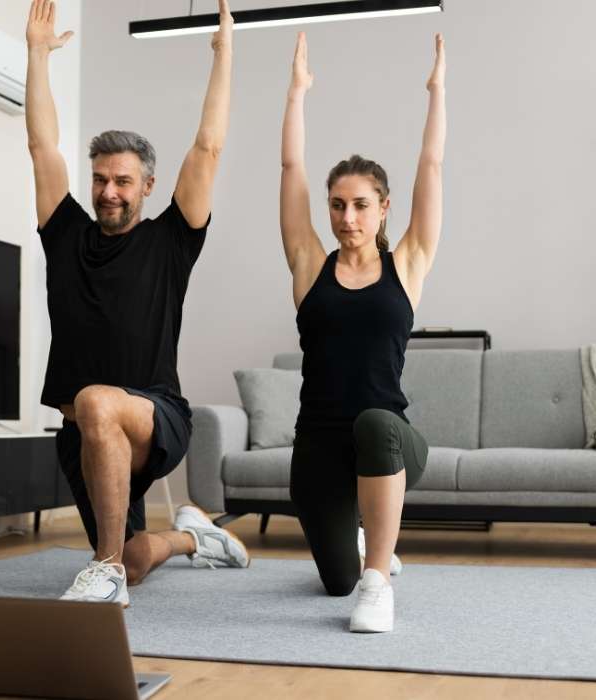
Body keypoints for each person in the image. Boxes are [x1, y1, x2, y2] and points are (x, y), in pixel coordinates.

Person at [24, 0, 248, 607]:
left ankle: (104, 570)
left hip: (157, 415)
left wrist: (223, 54)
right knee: (134, 555)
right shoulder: (66, 234)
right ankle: (192, 538)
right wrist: (38, 56)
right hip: (84, 433)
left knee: (99, 399)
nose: (108, 191)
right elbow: (43, 146)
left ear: (146, 186)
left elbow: (207, 148)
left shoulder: (170, 240)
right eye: (100, 179)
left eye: (123, 181)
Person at [278, 31, 446, 633]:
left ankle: (378, 582)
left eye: (359, 204)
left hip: (389, 439)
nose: (346, 217)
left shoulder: (408, 263)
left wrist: (437, 91)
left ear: (383, 209)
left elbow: (431, 164)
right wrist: (296, 93)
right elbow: (292, 165)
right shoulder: (307, 265)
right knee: (332, 582)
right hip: (317, 444)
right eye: (336, 205)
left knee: (374, 422)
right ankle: (368, 548)